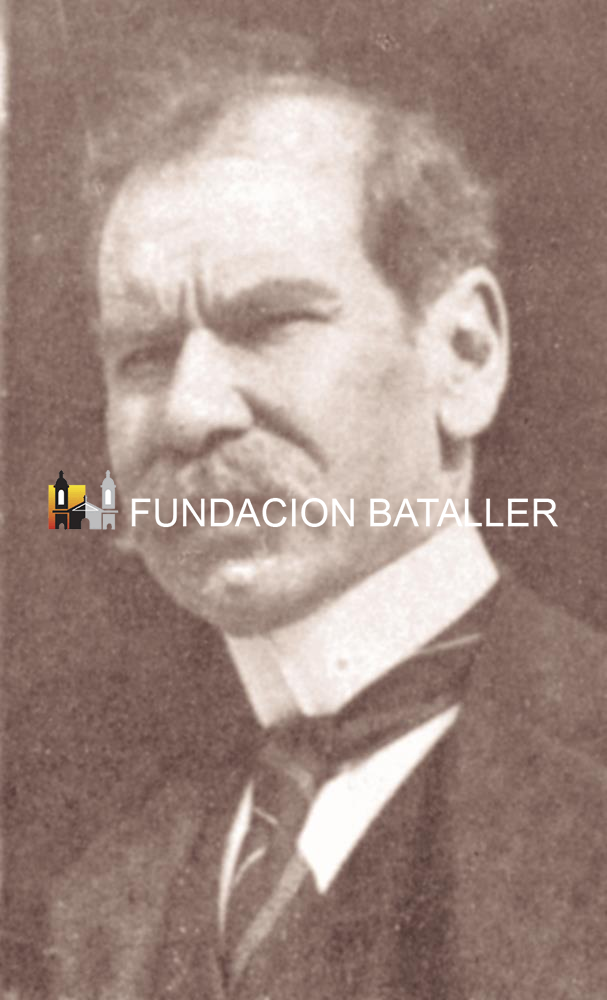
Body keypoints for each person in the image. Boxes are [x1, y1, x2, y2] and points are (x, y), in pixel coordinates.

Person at [46, 29, 607, 1000]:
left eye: (269, 322)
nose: (188, 412)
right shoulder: (88, 881)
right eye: (143, 354)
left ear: (463, 356)